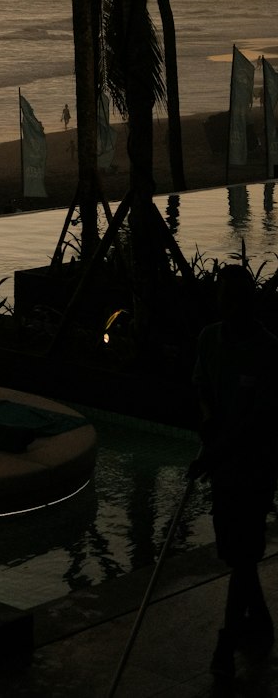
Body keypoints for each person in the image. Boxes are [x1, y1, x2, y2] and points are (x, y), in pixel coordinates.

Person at [190, 264, 278, 677]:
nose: (230, 306)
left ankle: (227, 639)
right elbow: (202, 387)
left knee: (243, 553)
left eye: (237, 299)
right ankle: (259, 622)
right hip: (224, 467)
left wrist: (216, 450)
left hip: (255, 467)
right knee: (236, 553)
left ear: (250, 302)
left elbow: (257, 422)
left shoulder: (267, 350)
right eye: (224, 298)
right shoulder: (210, 339)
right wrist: (207, 421)